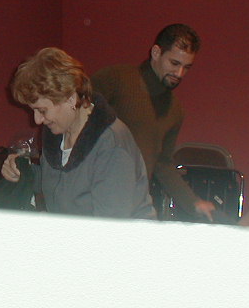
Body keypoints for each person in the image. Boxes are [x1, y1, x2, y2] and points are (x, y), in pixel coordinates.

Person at [1, 47, 155, 219]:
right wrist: (21, 172)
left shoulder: (111, 145)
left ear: (70, 99)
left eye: (42, 110)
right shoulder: (57, 133)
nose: (37, 120)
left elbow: (110, 227)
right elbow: (58, 183)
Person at [91, 23, 215, 221]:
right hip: (94, 203)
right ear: (156, 52)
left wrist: (193, 203)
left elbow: (163, 164)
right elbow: (72, 121)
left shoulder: (174, 110)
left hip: (134, 205)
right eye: (174, 63)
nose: (179, 73)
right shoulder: (116, 79)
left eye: (186, 67)